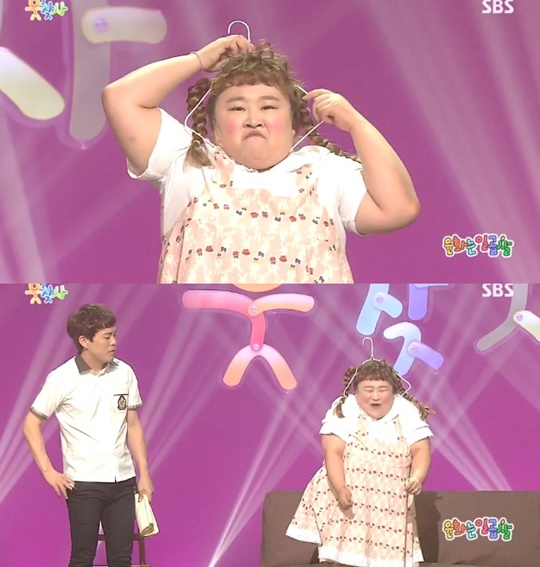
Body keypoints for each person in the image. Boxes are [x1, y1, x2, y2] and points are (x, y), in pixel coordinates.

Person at [102, 35, 421, 284]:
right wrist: (198, 59)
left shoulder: (324, 170)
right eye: (237, 108)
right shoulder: (190, 161)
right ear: (214, 127)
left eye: (268, 107)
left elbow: (399, 209)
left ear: (294, 124)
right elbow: (120, 98)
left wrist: (357, 125)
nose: (253, 119)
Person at [22, 304, 154, 567]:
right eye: (107, 336)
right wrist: (48, 471)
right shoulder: (61, 378)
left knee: (122, 559)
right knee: (83, 557)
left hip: (123, 481)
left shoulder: (124, 372)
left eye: (114, 335)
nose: (114, 342)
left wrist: (144, 474)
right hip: (84, 484)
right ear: (84, 341)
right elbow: (31, 424)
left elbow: (133, 425)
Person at [286, 358, 434, 567]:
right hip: (350, 502)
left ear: (393, 392)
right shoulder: (345, 409)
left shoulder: (406, 412)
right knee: (345, 558)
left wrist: (417, 478)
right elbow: (333, 452)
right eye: (368, 390)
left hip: (390, 507)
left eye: (382, 389)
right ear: (357, 391)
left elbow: (420, 450)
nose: (375, 396)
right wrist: (340, 488)